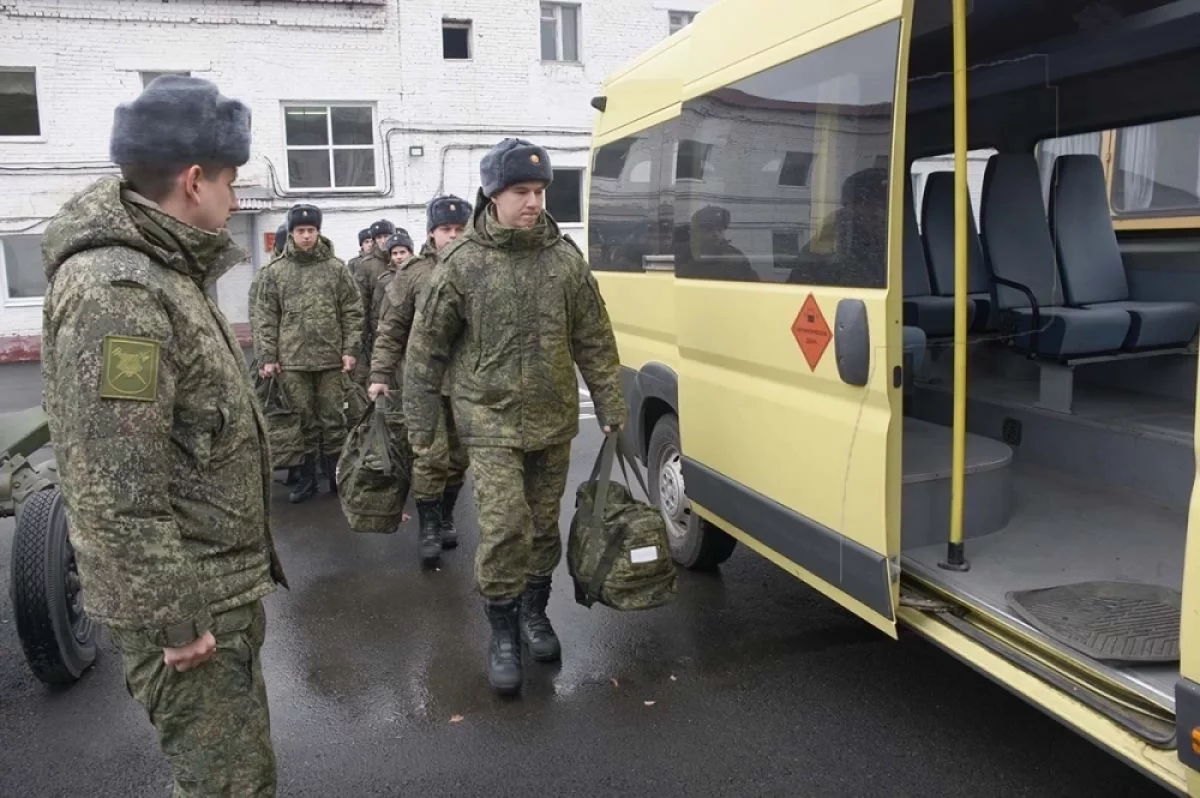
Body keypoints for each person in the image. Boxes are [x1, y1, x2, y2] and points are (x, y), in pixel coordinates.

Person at [40, 75, 286, 796]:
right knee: (228, 787)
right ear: (192, 180)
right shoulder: (123, 293)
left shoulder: (164, 268)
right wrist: (179, 623)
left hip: (210, 595)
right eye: (232, 182)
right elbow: (114, 490)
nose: (236, 200)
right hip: (188, 613)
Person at [404, 139, 625, 695]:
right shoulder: (462, 264)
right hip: (489, 421)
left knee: (543, 526)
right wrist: (422, 425)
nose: (533, 202)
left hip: (552, 417)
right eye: (521, 191)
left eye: (541, 191)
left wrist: (611, 405)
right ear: (493, 194)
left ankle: (533, 612)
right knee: (505, 527)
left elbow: (593, 337)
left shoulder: (565, 261)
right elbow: (426, 349)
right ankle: (501, 629)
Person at [369, 195, 471, 567]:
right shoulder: (412, 272)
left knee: (459, 458)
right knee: (429, 457)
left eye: (460, 229)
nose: (454, 235)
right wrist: (380, 373)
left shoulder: (478, 267)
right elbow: (391, 329)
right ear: (432, 233)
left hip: (466, 384)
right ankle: (428, 527)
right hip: (422, 384)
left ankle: (445, 517)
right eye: (446, 229)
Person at [252, 203, 364, 503]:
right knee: (301, 420)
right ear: (292, 233)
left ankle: (337, 476)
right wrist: (267, 356)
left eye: (310, 231)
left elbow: (352, 310)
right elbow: (265, 316)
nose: (305, 236)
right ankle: (307, 478)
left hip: (330, 360)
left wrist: (350, 349)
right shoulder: (276, 272)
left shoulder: (336, 269)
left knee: (333, 419)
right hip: (292, 361)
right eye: (300, 231)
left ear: (318, 232)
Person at [351, 218, 398, 386]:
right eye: (379, 237)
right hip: (377, 330)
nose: (383, 241)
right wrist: (360, 337)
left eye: (386, 236)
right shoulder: (366, 266)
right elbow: (360, 303)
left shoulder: (403, 259)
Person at [367, 228, 415, 344]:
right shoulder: (385, 279)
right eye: (395, 253)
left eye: (402, 252)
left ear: (410, 253)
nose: (399, 257)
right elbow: (377, 310)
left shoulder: (420, 275)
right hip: (392, 334)